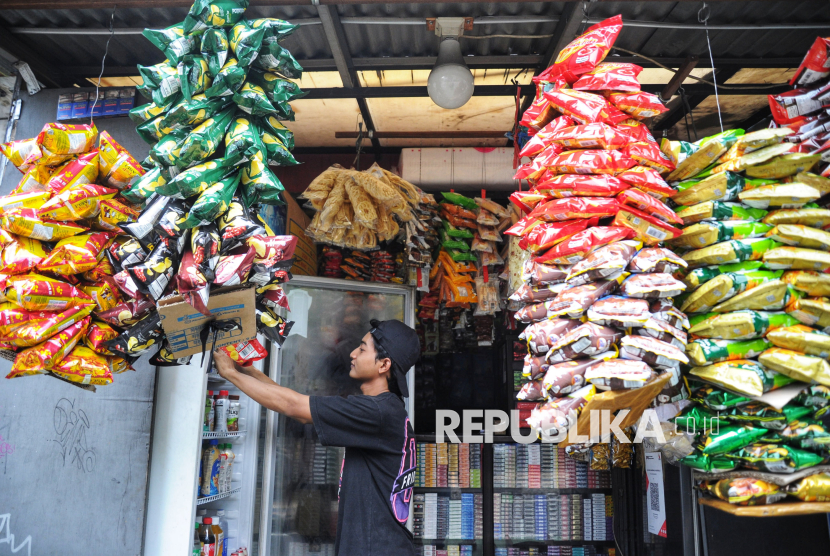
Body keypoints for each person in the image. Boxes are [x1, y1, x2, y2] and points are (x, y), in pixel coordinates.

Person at [213, 318, 419, 556]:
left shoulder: (377, 413)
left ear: (384, 365)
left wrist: (230, 373)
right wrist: (248, 370)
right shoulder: (384, 410)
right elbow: (294, 402)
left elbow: (293, 406)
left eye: (362, 349)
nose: (352, 354)